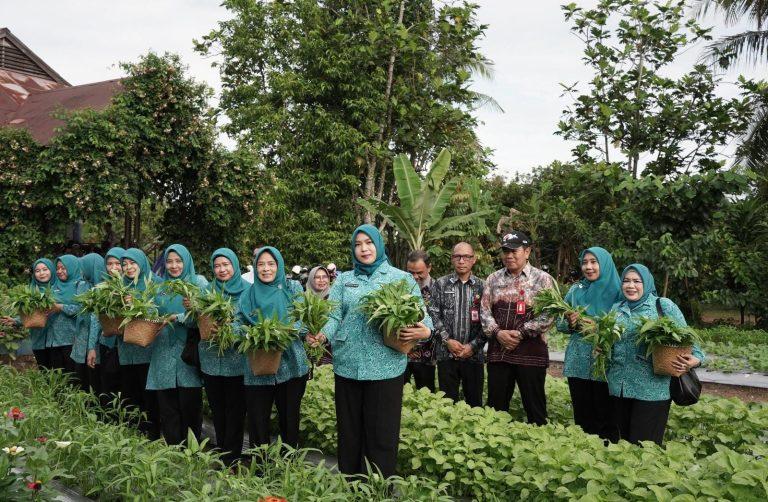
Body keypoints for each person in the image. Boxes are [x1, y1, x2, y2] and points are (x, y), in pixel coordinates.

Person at [308, 225, 433, 478]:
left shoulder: (401, 278)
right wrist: (322, 334)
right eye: (358, 244)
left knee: (382, 434)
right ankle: (351, 485)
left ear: (379, 244)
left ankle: (378, 488)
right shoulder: (344, 279)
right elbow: (333, 314)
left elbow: (423, 317)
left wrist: (424, 332)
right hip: (347, 366)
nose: (364, 248)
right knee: (350, 432)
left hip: (385, 368)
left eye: (369, 242)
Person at [608, 264, 705, 445]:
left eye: (637, 281)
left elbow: (691, 341)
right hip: (618, 387)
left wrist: (696, 359)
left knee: (645, 448)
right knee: (619, 446)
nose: (631, 286)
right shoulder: (616, 309)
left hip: (651, 389)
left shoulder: (662, 306)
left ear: (647, 283)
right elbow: (610, 343)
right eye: (626, 281)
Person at [235, 246, 309, 449]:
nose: (265, 269)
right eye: (261, 264)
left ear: (279, 265)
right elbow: (236, 322)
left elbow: (304, 321)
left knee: (289, 418)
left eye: (270, 264)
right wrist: (251, 335)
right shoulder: (247, 295)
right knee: (258, 421)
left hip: (292, 365)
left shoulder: (292, 288)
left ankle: (288, 467)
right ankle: (260, 470)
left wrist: (280, 332)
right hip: (257, 366)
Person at [480, 231, 554, 425]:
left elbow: (549, 314)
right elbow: (484, 312)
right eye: (505, 251)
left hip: (531, 353)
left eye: (514, 251)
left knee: (535, 408)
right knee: (495, 409)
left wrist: (521, 333)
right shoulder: (493, 279)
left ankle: (539, 444)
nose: (509, 255)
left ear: (527, 251)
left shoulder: (543, 279)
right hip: (499, 353)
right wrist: (498, 333)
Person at [557, 247, 622, 441]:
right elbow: (560, 323)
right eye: (585, 262)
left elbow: (625, 326)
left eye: (594, 262)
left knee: (607, 415)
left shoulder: (620, 292)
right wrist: (570, 322)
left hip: (606, 363)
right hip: (579, 362)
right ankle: (585, 456)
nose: (588, 267)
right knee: (583, 416)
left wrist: (600, 327)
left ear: (605, 264)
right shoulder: (576, 291)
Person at [149, 244, 206, 445]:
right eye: (169, 261)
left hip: (187, 354)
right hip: (163, 351)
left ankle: (192, 451)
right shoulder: (159, 288)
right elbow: (150, 313)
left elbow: (204, 317)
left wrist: (179, 316)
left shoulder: (198, 283)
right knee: (168, 407)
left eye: (178, 261)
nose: (174, 266)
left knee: (190, 405)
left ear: (186, 261)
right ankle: (174, 451)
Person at [199, 248, 247, 465]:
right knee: (218, 411)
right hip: (211, 361)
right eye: (217, 266)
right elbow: (195, 323)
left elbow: (253, 321)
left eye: (226, 264)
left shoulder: (249, 291)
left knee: (235, 412)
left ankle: (233, 459)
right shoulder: (207, 291)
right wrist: (191, 312)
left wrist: (231, 328)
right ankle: (221, 455)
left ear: (235, 265)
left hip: (237, 362)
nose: (222, 269)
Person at [428, 242, 486, 407]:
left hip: (473, 356)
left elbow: (488, 319)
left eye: (466, 257)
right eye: (457, 256)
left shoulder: (483, 286)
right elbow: (432, 314)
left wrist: (473, 346)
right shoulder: (440, 284)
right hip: (446, 354)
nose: (461, 261)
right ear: (452, 259)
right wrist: (447, 341)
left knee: (474, 404)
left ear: (473, 259)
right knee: (447, 403)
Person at [119, 248, 161, 439]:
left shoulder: (156, 284)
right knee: (130, 392)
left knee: (149, 395)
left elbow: (162, 313)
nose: (128, 268)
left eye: (133, 263)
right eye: (125, 264)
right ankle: (135, 433)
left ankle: (152, 434)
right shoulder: (120, 287)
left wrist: (137, 304)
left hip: (149, 349)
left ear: (142, 263)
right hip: (126, 349)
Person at [1, 259, 55, 369]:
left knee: (60, 371)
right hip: (38, 338)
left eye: (45, 269)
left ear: (51, 270)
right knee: (45, 370)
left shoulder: (59, 288)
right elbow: (31, 317)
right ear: (34, 274)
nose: (41, 273)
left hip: (57, 340)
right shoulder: (31, 291)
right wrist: (15, 320)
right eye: (37, 270)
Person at [69, 253, 105, 395]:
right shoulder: (82, 285)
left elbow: (96, 321)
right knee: (82, 381)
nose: (81, 272)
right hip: (81, 341)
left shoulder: (103, 289)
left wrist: (92, 347)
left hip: (96, 343)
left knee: (96, 382)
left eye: (84, 268)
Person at [48, 255, 89, 374]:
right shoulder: (54, 286)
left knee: (72, 376)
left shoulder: (80, 285)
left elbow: (83, 309)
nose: (60, 271)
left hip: (71, 339)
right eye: (58, 268)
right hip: (53, 339)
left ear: (72, 267)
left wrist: (61, 307)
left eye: (63, 268)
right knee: (57, 375)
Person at [404, 250, 437, 391]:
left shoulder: (438, 288)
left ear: (429, 268)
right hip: (403, 353)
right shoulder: (401, 288)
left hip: (427, 355)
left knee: (426, 396)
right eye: (411, 272)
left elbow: (440, 321)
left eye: (419, 272)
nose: (415, 277)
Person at [98, 247, 125, 405]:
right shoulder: (102, 287)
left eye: (118, 263)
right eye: (109, 264)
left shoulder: (129, 286)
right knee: (107, 384)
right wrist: (92, 347)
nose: (113, 268)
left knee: (123, 385)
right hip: (107, 343)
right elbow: (97, 319)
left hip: (126, 343)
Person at [306, 266, 333, 365]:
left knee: (326, 377)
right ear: (311, 279)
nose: (321, 280)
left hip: (331, 350)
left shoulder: (334, 297)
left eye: (324, 276)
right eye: (317, 277)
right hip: (308, 347)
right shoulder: (304, 298)